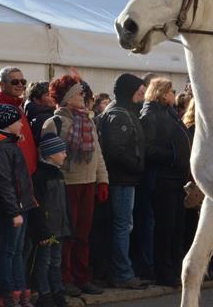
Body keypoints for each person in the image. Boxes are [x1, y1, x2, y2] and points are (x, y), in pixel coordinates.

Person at [42, 76, 108, 297]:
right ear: (68, 97)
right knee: (67, 235)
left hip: (88, 183)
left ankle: (82, 278)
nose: (84, 97)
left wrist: (103, 180)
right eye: (79, 93)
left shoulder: (88, 121)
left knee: (83, 234)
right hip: (66, 184)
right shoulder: (54, 122)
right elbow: (48, 158)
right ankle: (65, 279)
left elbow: (97, 154)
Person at [97, 74, 148, 290]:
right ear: (129, 92)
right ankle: (122, 273)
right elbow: (116, 151)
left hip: (125, 179)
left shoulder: (124, 112)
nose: (143, 96)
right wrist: (137, 166)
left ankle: (122, 271)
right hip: (121, 180)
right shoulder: (118, 115)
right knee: (122, 226)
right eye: (139, 92)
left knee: (123, 226)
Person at [140, 77, 191, 287]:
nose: (174, 94)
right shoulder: (150, 115)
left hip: (176, 181)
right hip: (163, 182)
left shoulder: (168, 113)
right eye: (171, 91)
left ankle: (176, 269)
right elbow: (147, 149)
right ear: (162, 93)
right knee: (165, 230)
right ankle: (163, 273)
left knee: (176, 229)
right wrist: (172, 156)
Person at [0, 104, 38, 307]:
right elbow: (4, 183)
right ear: (7, 124)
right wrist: (14, 211)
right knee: (9, 252)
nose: (21, 124)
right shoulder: (2, 149)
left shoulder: (9, 145)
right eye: (17, 121)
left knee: (17, 251)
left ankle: (20, 292)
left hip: (20, 207)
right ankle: (9, 294)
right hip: (13, 210)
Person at [30, 133, 71, 307]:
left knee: (56, 261)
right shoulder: (40, 176)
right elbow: (38, 207)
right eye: (61, 151)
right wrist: (42, 231)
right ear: (50, 154)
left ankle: (57, 291)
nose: (65, 154)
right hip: (48, 231)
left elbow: (63, 205)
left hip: (59, 229)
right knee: (45, 261)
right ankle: (44, 294)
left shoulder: (59, 175)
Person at [0, 67, 37, 176]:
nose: (20, 85)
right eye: (15, 82)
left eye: (23, 81)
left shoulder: (18, 106)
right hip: (13, 175)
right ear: (2, 84)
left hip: (27, 173)